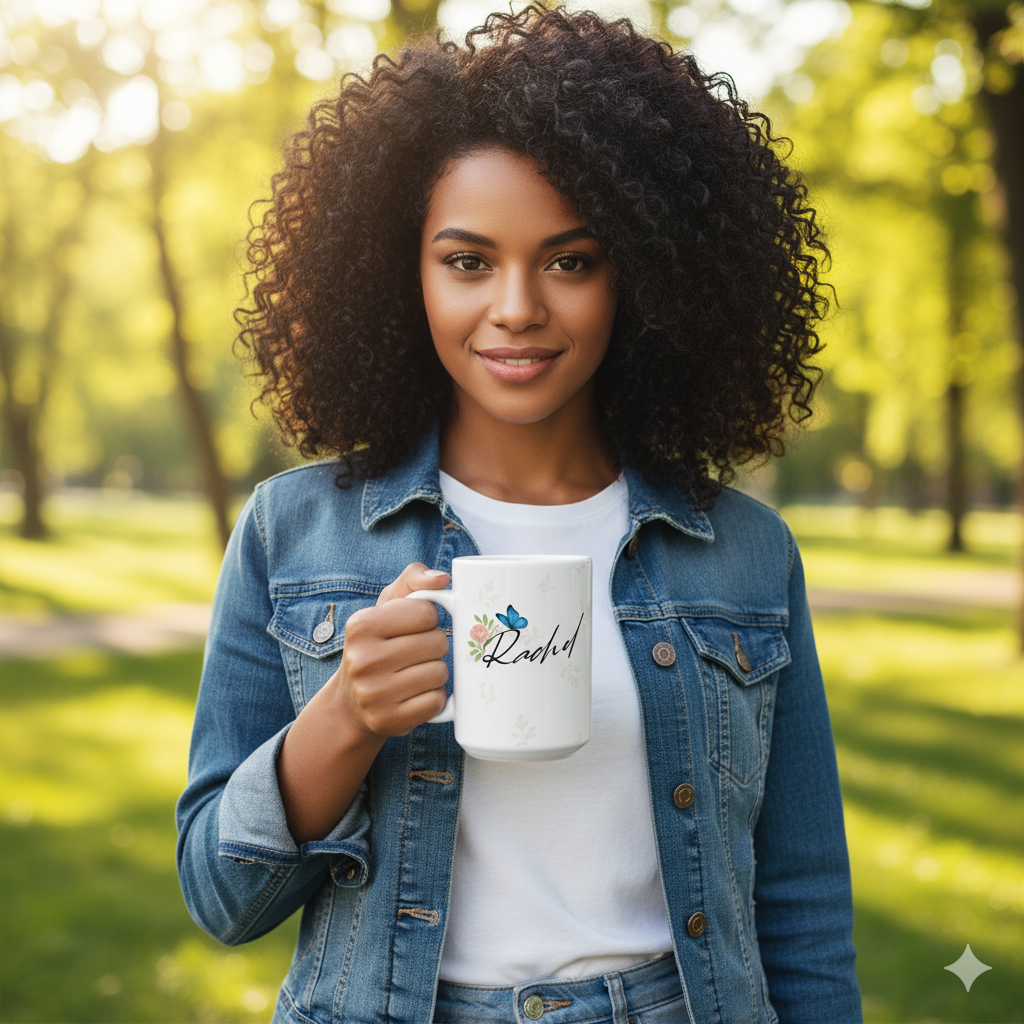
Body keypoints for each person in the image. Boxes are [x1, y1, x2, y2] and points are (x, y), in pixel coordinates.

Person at [175, 5, 862, 1023]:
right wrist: (345, 716)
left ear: (643, 273)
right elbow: (220, 897)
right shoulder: (292, 534)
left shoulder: (745, 553)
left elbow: (801, 903)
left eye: (570, 261)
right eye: (466, 261)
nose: (516, 307)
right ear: (398, 274)